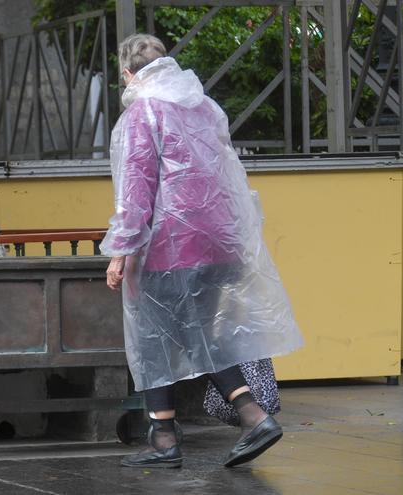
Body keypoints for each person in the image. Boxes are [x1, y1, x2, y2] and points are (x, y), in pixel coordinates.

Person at [102, 34, 304, 468]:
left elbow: (136, 190)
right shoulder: (204, 107)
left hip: (169, 245)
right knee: (189, 334)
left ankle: (249, 416)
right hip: (218, 242)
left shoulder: (143, 113)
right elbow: (229, 176)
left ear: (127, 73)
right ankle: (164, 437)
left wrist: (121, 250)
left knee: (171, 337)